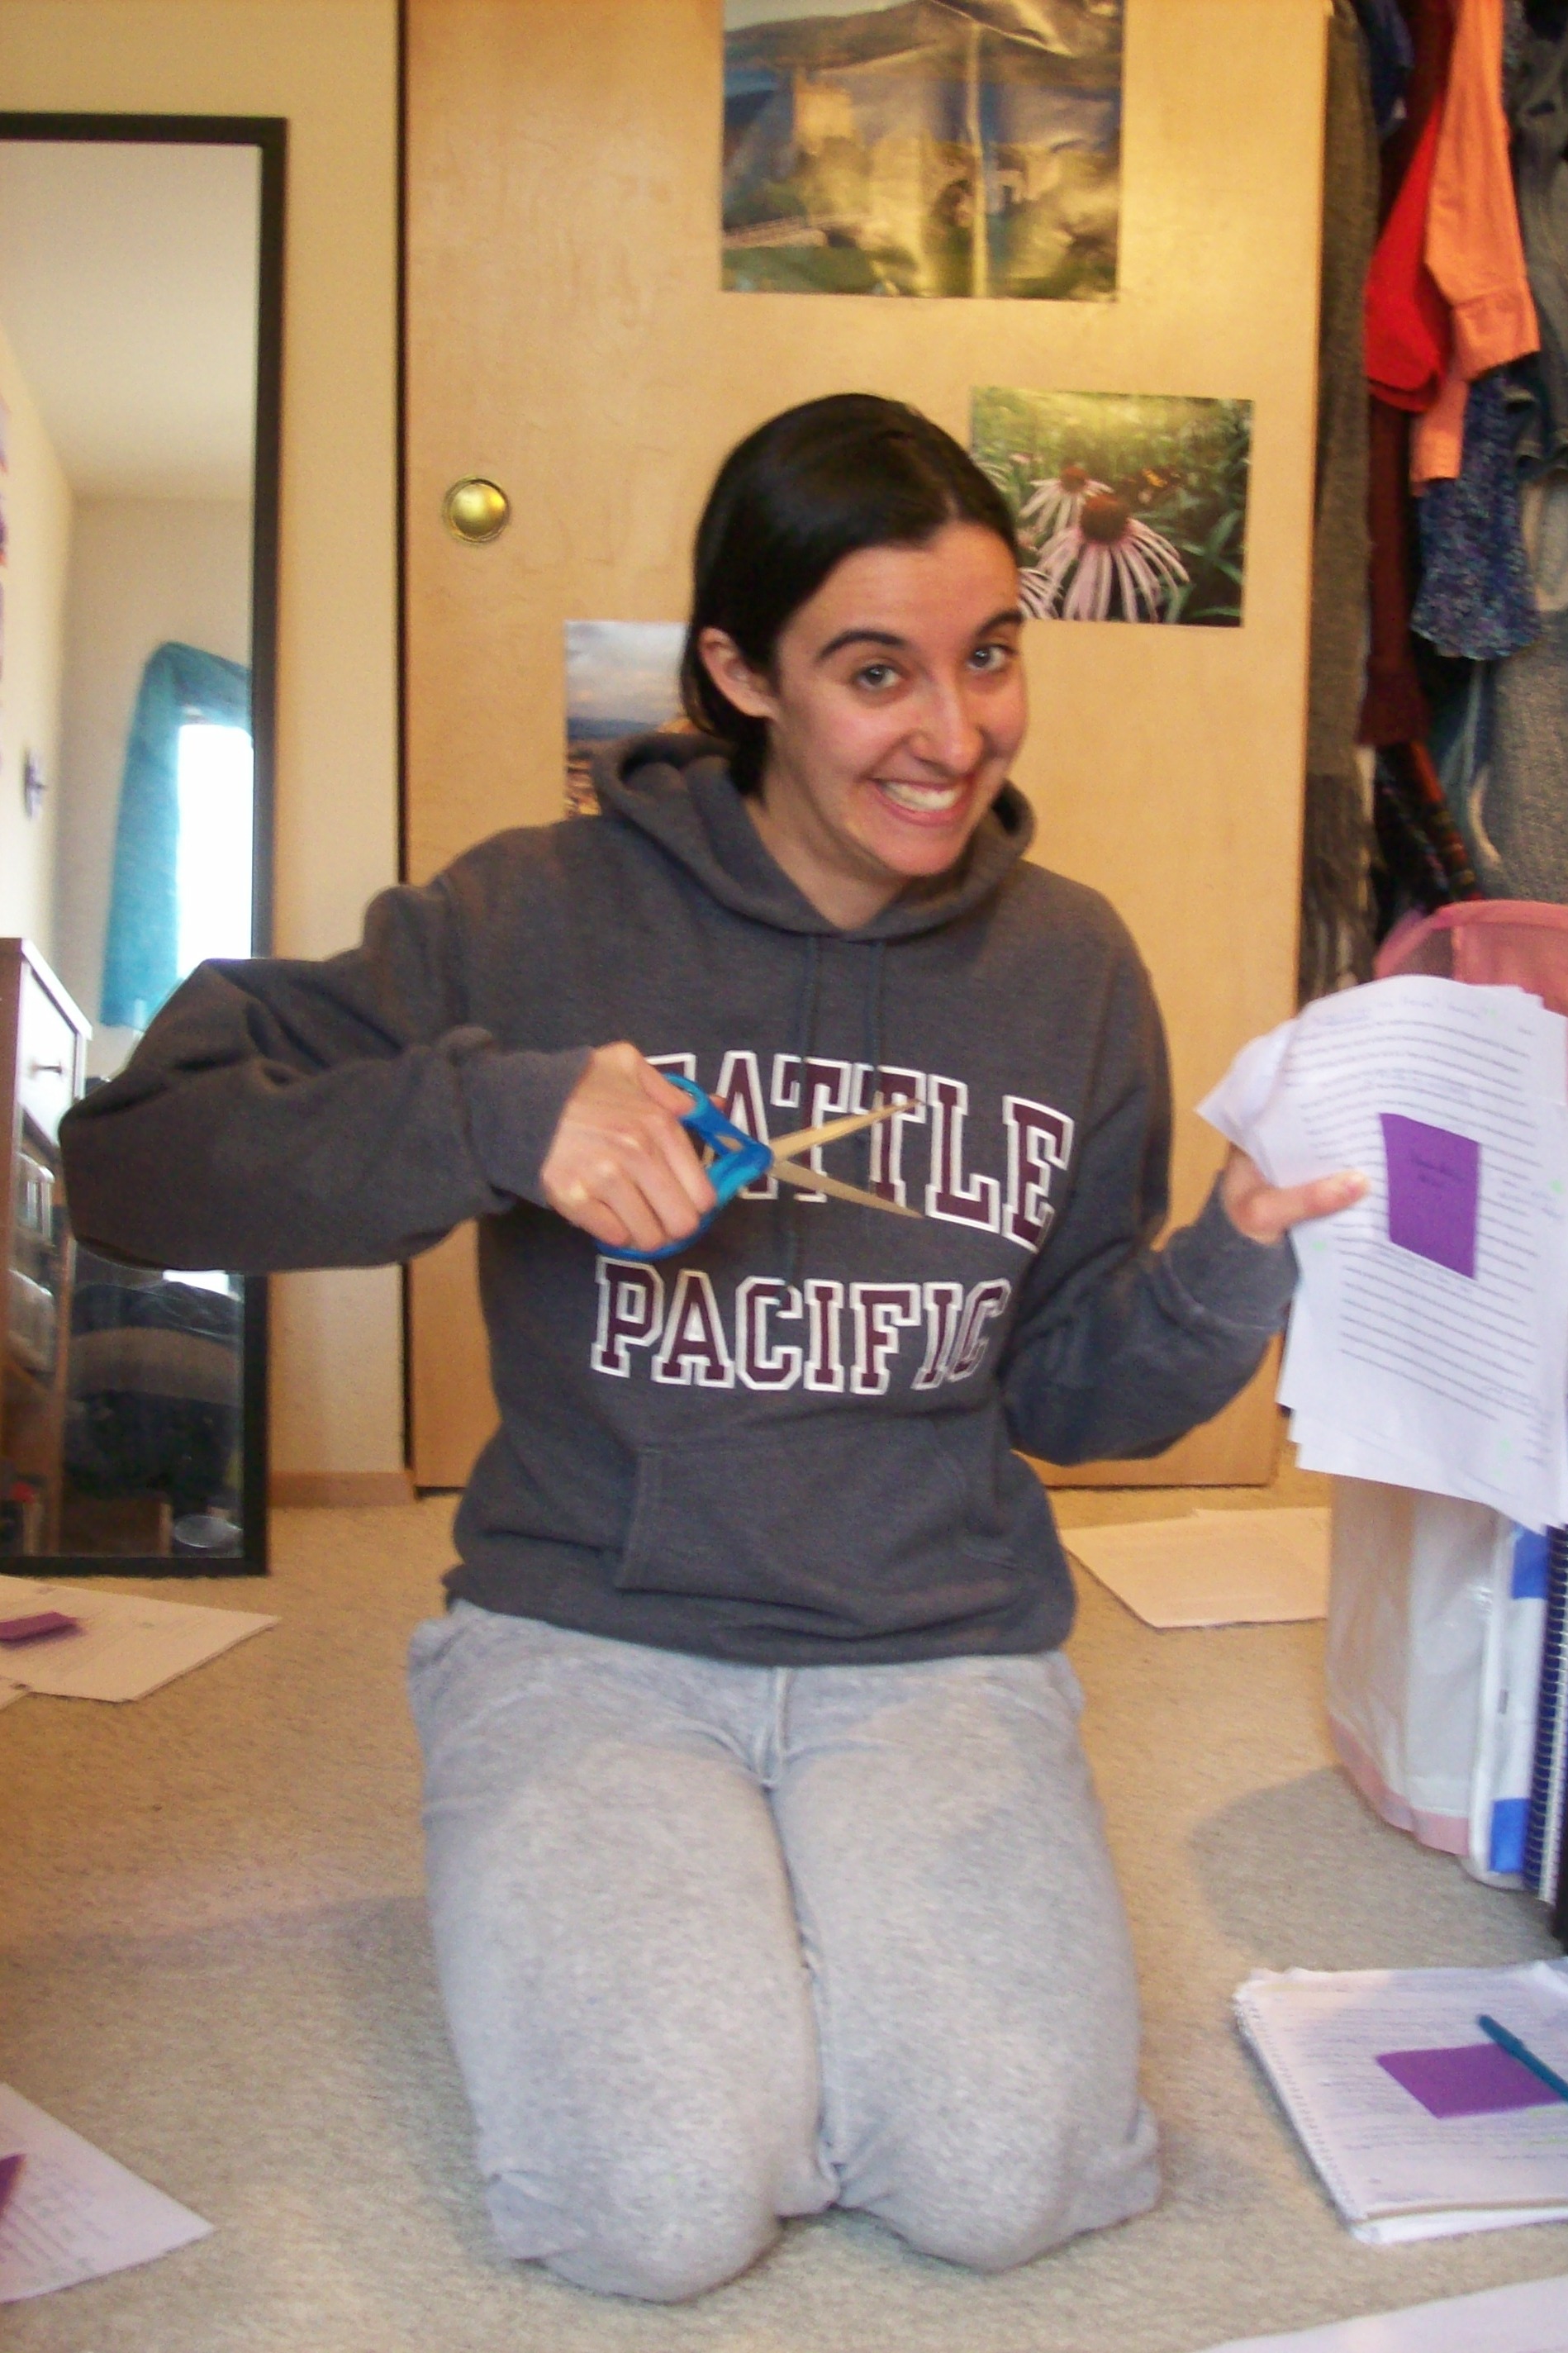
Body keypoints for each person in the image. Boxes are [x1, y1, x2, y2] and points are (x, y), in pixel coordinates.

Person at [62, 394, 1364, 2303]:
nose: (952, 733)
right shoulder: (528, 911)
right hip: (591, 1632)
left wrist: (1229, 1265)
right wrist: (498, 1112)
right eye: (873, 670)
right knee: (658, 2207)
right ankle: (676, 1926)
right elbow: (132, 1159)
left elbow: (1071, 1393)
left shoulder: (1070, 966)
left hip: (931, 1648)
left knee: (1004, 2180)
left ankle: (782, 1947)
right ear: (741, 673)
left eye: (989, 654)